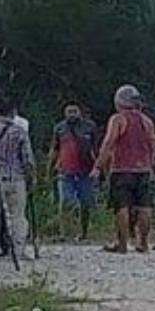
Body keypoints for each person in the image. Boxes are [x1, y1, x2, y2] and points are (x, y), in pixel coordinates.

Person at [91, 85, 155, 254]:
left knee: (122, 206)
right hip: (144, 169)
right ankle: (143, 243)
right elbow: (151, 145)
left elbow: (109, 142)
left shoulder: (118, 119)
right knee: (144, 205)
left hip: (122, 169)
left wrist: (98, 165)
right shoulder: (147, 121)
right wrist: (152, 164)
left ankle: (122, 244)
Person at [0, 93, 35, 262]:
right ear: (13, 112)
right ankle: (18, 250)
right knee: (17, 215)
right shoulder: (19, 131)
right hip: (15, 177)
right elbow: (27, 158)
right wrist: (30, 177)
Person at [49, 102, 98, 241]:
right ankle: (65, 233)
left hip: (86, 170)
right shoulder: (59, 128)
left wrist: (98, 167)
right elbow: (54, 149)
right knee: (65, 202)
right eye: (69, 111)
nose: (72, 114)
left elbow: (96, 148)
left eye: (74, 111)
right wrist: (50, 168)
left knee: (86, 203)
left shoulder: (89, 127)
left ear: (80, 113)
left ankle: (84, 232)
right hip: (65, 171)